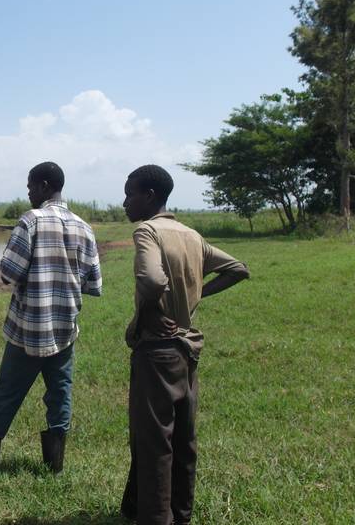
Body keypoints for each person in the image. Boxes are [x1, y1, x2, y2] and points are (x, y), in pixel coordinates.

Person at [119, 165, 250, 525]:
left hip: (157, 351)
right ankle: (178, 514)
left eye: (129, 194)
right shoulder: (191, 235)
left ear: (148, 196)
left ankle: (155, 518)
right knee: (182, 439)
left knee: (154, 442)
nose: (125, 202)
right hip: (187, 349)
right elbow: (238, 269)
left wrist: (148, 311)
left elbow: (151, 279)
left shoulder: (148, 231)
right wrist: (195, 297)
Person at [0, 162, 102, 475]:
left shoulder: (31, 220)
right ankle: (54, 465)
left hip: (27, 330)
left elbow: (9, 271)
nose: (28, 192)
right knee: (60, 395)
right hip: (64, 330)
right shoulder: (84, 227)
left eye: (30, 186)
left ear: (44, 186)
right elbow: (93, 283)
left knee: (5, 396)